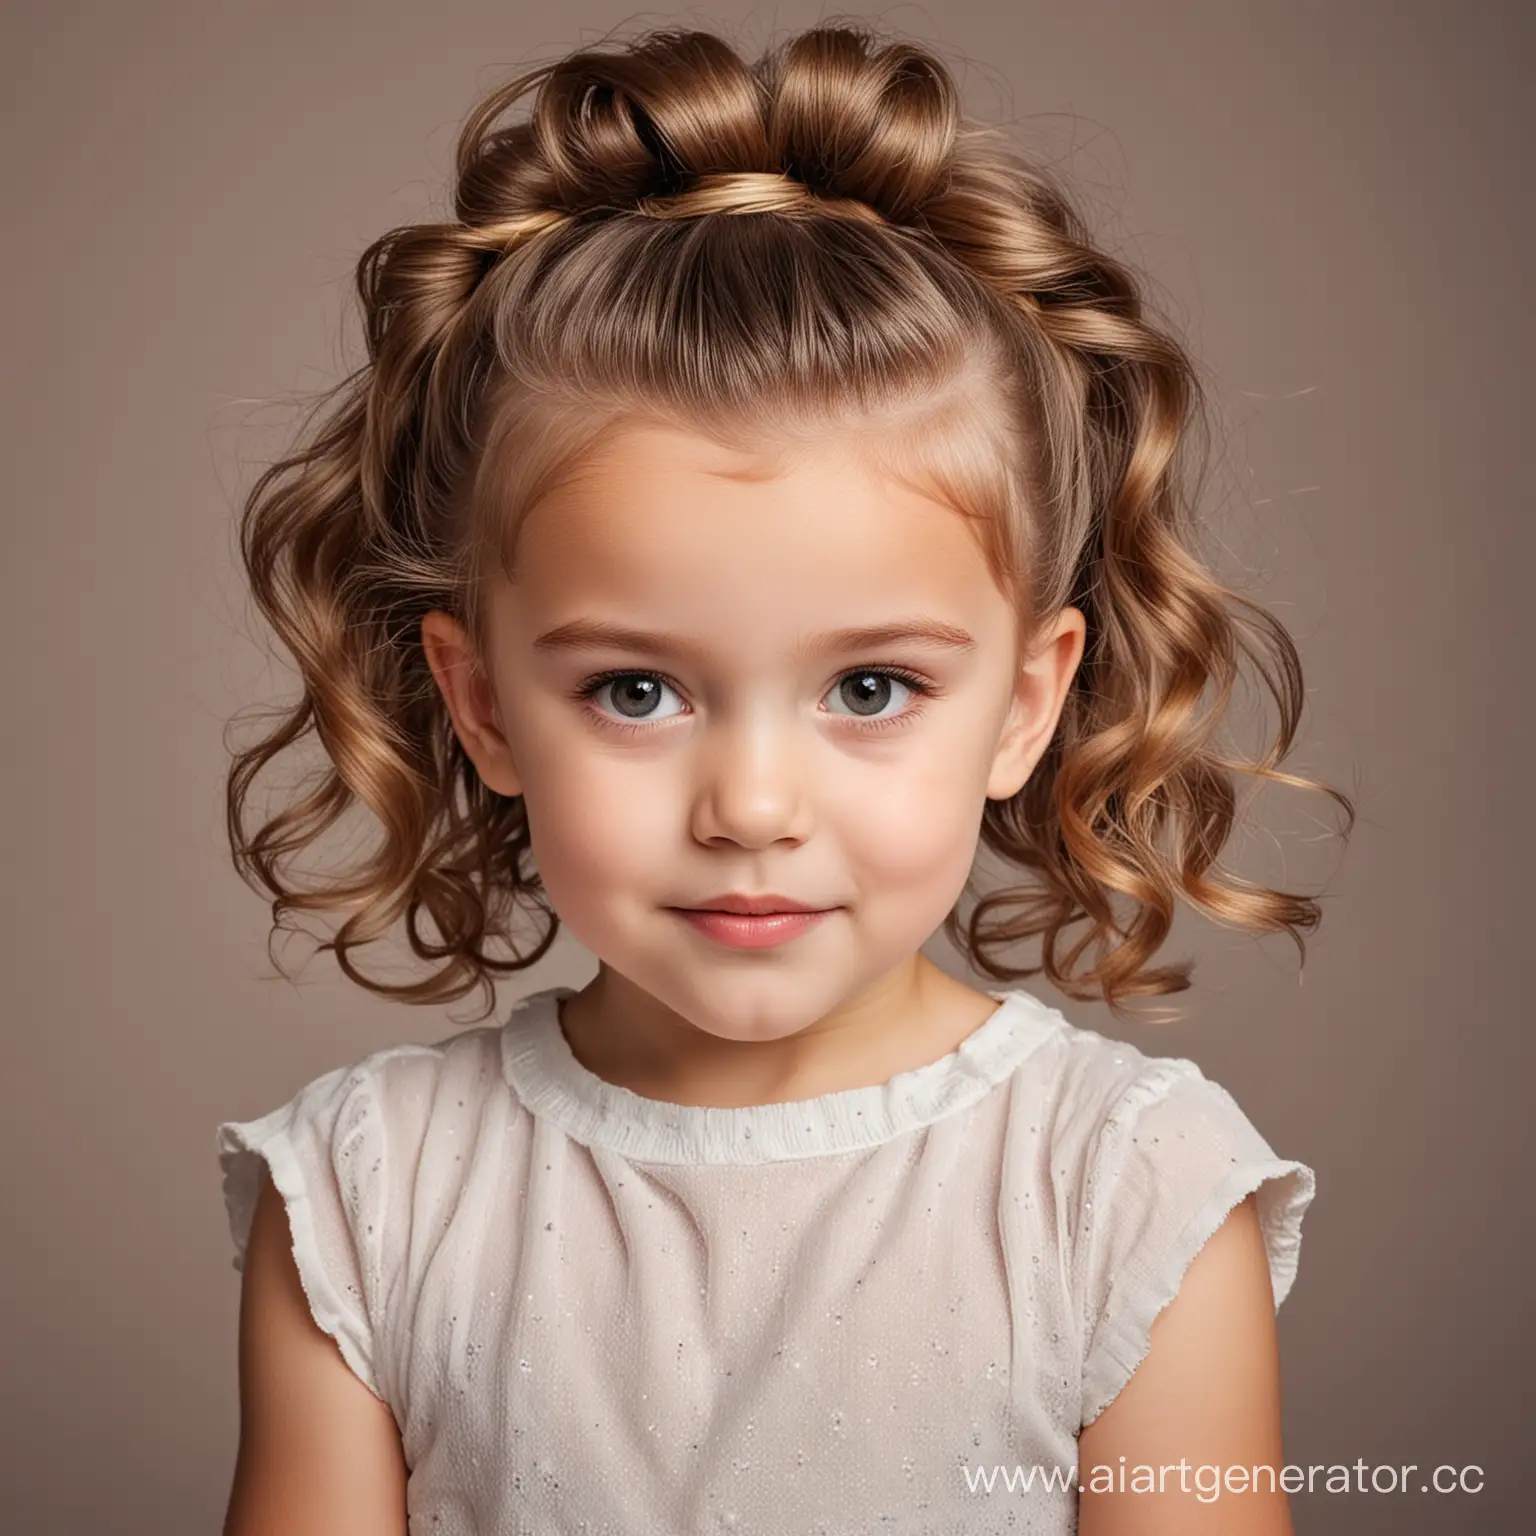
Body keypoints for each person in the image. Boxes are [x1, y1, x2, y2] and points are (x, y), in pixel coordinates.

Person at [214, 22, 1353, 1534]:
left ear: (1026, 704)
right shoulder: (371, 1200)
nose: (751, 805)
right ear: (481, 705)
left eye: (869, 689)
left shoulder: (1123, 1197)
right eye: (637, 689)